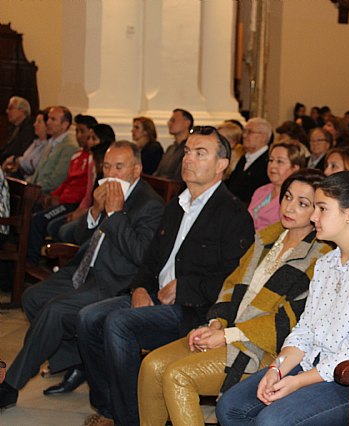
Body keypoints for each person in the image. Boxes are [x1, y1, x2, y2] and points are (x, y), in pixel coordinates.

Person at [77, 126, 254, 426]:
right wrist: (140, 289)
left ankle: (131, 420)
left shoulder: (233, 214)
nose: (188, 159)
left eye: (200, 153)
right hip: (155, 299)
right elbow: (151, 260)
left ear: (222, 165)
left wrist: (185, 287)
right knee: (88, 318)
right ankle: (111, 408)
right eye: (187, 152)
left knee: (119, 324)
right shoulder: (176, 206)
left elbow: (235, 280)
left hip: (191, 309)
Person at [216, 171, 349, 425]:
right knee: (231, 407)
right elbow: (305, 329)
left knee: (272, 421)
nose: (313, 216)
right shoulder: (326, 263)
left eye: (322, 208)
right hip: (320, 365)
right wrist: (277, 368)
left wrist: (298, 381)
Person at [138, 169, 331, 426]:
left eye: (302, 203)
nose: (290, 207)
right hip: (229, 332)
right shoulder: (267, 237)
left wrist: (228, 335)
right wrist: (216, 322)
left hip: (265, 349)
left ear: (318, 210)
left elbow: (290, 321)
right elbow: (231, 284)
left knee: (177, 375)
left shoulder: (321, 257)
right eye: (287, 197)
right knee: (151, 365)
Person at [0, 141, 164, 409]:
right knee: (32, 297)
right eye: (107, 166)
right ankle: (79, 358)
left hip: (116, 282)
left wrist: (114, 213)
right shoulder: (108, 193)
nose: (111, 173)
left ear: (137, 169)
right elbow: (75, 236)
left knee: (55, 311)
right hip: (84, 269)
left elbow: (140, 255)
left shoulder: (150, 205)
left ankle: (10, 386)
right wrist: (95, 212)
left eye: (119, 167)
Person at [27, 115, 99, 264]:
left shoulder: (92, 159)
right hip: (64, 200)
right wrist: (54, 195)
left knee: (39, 221)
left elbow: (87, 189)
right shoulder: (77, 155)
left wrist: (79, 208)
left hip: (72, 203)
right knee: (32, 210)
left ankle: (31, 262)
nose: (79, 136)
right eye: (77, 131)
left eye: (83, 132)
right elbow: (67, 181)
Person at [48, 124, 116, 243]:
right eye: (89, 138)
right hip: (88, 208)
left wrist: (85, 212)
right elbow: (89, 193)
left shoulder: (107, 164)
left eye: (94, 138)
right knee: (54, 226)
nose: (89, 142)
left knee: (65, 230)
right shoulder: (91, 159)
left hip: (99, 213)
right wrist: (80, 210)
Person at [248, 143, 305, 231]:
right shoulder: (261, 191)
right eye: (271, 160)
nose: (272, 165)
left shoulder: (296, 198)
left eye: (280, 161)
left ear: (295, 168)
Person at [28, 106, 79, 196]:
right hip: (36, 192)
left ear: (65, 124)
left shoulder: (70, 146)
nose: (48, 122)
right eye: (48, 118)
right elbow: (39, 171)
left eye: (53, 119)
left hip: (49, 196)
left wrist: (32, 189)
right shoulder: (51, 142)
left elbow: (58, 178)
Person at [226, 118, 272, 203]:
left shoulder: (269, 161)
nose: (244, 135)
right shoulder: (244, 158)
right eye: (244, 131)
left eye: (250, 132)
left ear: (263, 137)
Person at [3, 109, 49, 179]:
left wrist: (14, 160)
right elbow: (25, 160)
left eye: (39, 122)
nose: (34, 124)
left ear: (47, 126)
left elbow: (32, 165)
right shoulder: (35, 142)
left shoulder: (47, 146)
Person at [154, 108, 193, 181]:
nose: (169, 123)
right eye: (170, 121)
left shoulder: (190, 149)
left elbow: (178, 179)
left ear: (187, 123)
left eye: (173, 120)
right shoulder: (170, 149)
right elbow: (158, 173)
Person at [0, 96, 34, 163]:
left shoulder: (29, 129)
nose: (7, 111)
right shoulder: (12, 128)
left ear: (22, 111)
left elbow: (22, 152)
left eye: (10, 108)